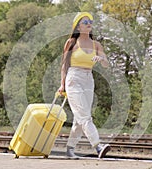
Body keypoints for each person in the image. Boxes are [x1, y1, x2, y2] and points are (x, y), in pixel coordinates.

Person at [57, 12, 111, 158]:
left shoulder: (96, 44)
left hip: (88, 79)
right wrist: (62, 85)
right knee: (85, 116)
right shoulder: (71, 43)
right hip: (73, 78)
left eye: (90, 21)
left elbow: (106, 64)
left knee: (80, 118)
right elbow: (64, 66)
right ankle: (98, 146)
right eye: (85, 21)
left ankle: (70, 149)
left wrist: (100, 58)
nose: (88, 23)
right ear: (78, 26)